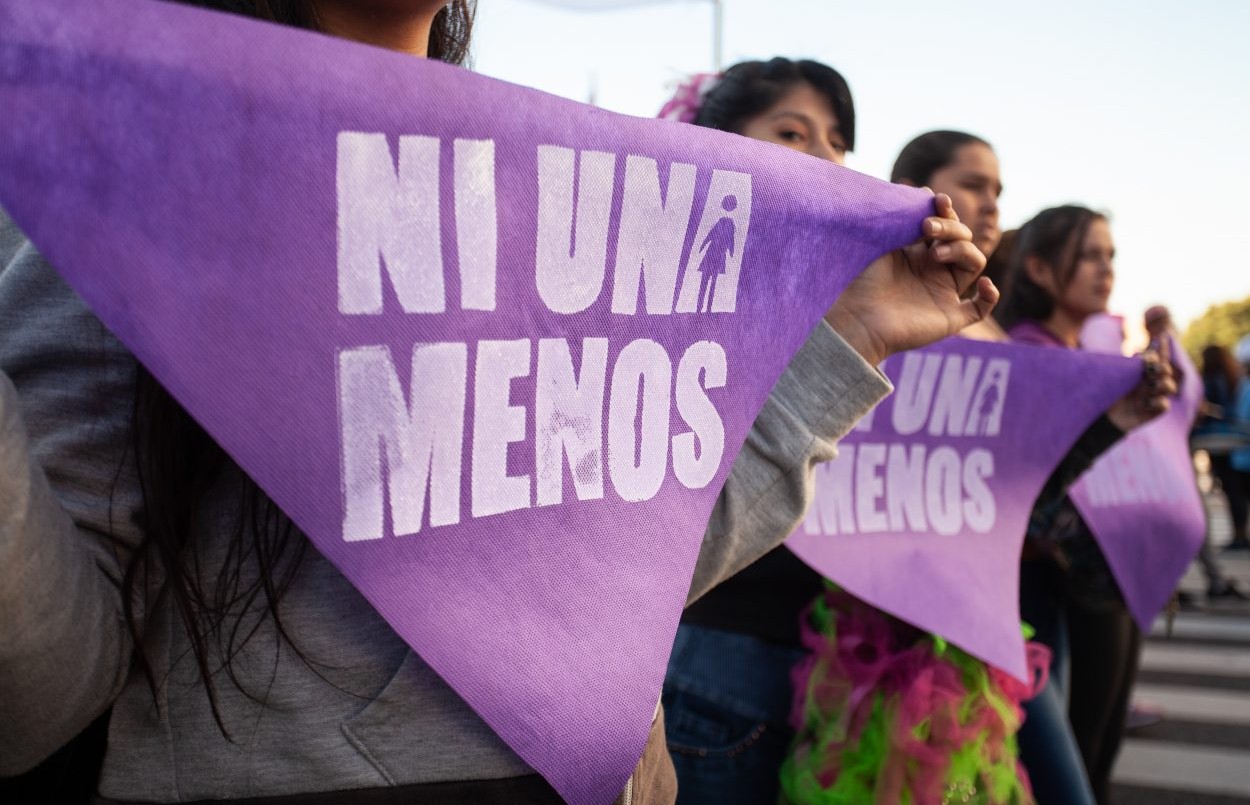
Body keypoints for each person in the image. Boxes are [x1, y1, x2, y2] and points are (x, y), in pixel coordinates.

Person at [0, 14, 996, 804]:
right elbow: (44, 689)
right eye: (794, 135)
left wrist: (854, 337)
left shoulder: (555, 196)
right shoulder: (137, 166)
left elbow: (621, 580)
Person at [999, 205, 1175, 804]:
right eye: (1090, 254)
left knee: (1096, 749)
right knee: (1072, 763)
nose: (1106, 269)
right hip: (1048, 584)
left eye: (1111, 255)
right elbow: (1028, 485)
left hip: (1100, 577)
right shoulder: (1028, 354)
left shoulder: (1086, 358)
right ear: (1043, 269)